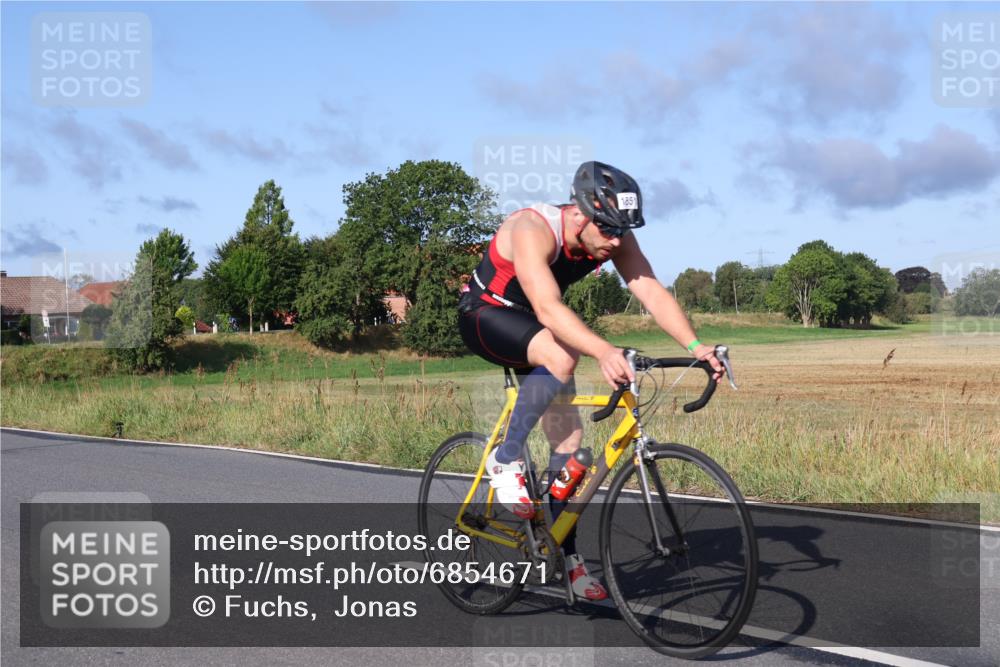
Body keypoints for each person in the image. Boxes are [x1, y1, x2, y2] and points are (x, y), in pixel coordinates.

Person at [457, 161, 725, 601]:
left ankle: (566, 559)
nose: (616, 241)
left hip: (535, 329)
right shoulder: (533, 228)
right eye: (609, 230)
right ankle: (505, 459)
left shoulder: (612, 235)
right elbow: (548, 308)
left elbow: (650, 289)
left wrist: (697, 346)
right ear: (580, 213)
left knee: (570, 448)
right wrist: (603, 350)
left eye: (624, 231)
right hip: (486, 315)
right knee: (563, 354)